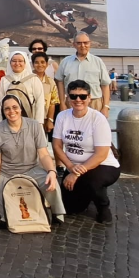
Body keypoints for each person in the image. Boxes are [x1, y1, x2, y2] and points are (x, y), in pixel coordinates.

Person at [0, 94, 64, 226]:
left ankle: (57, 213)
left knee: (52, 184)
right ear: (3, 111)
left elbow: (44, 154)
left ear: (21, 108)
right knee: (5, 214)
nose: (11, 111)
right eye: (7, 109)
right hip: (7, 174)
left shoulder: (34, 125)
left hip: (32, 170)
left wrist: (52, 171)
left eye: (15, 107)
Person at [52, 80, 120, 224]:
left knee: (92, 181)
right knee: (68, 208)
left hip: (102, 165)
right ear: (68, 98)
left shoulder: (98, 119)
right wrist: (70, 167)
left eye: (82, 96)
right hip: (74, 166)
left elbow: (101, 154)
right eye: (73, 96)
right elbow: (57, 146)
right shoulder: (62, 117)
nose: (78, 100)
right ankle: (87, 196)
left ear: (89, 98)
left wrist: (75, 174)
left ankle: (103, 208)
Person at [55, 33, 111, 119]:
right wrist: (62, 104)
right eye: (79, 43)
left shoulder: (98, 62)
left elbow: (105, 85)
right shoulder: (65, 62)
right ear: (74, 44)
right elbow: (60, 83)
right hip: (72, 102)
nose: (83, 45)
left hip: (94, 103)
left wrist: (105, 107)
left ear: (90, 43)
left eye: (85, 43)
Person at [0, 51, 45, 124]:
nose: (17, 63)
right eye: (14, 61)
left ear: (25, 63)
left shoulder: (33, 79)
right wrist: (0, 122)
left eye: (20, 61)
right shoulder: (4, 80)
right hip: (9, 122)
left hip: (30, 121)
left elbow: (40, 101)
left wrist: (38, 123)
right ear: (10, 63)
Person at [31, 52, 59, 140]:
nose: (40, 65)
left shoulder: (51, 82)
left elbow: (52, 102)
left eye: (42, 62)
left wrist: (50, 121)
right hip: (29, 119)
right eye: (36, 62)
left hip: (44, 119)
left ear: (47, 64)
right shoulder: (27, 80)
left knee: (41, 146)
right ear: (32, 64)